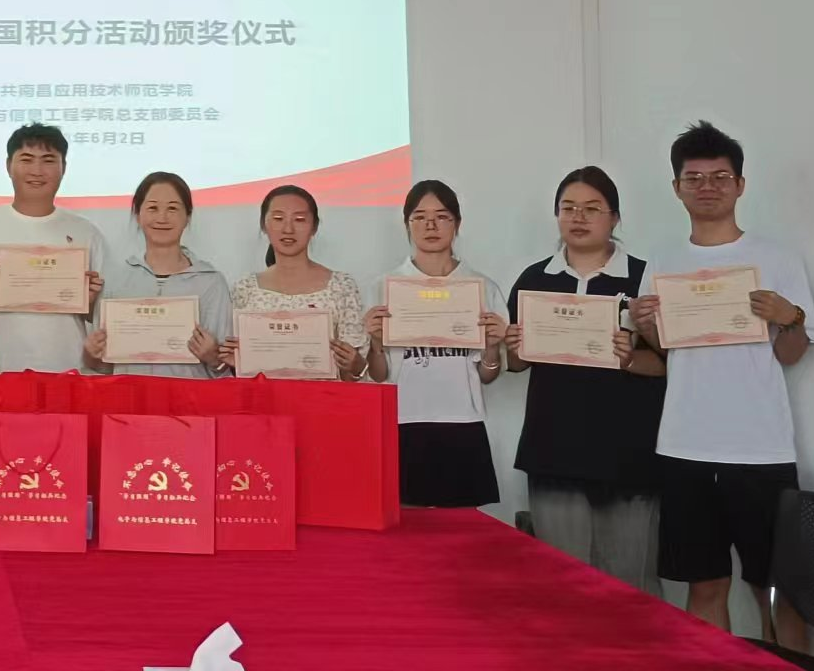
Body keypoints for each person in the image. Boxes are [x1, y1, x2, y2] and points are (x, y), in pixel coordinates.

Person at [631, 122, 814, 649]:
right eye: (694, 178)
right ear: (677, 188)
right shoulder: (662, 261)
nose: (707, 186)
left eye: (719, 177)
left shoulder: (777, 258)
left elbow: (791, 354)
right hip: (684, 446)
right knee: (705, 583)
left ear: (740, 184)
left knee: (776, 590)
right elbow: (667, 351)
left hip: (760, 447)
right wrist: (646, 326)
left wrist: (791, 317)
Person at [503, 166, 665, 592]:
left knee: (631, 585)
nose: (578, 217)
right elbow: (517, 364)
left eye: (592, 208)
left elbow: (669, 364)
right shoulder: (534, 279)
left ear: (615, 217)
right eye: (568, 208)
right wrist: (513, 346)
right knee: (563, 587)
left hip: (629, 452)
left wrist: (628, 360)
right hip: (553, 449)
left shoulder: (645, 278)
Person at [364, 179, 507, 508]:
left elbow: (487, 376)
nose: (431, 225)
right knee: (405, 528)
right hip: (403, 421)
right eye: (420, 217)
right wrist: (375, 342)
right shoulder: (382, 287)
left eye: (442, 216)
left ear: (457, 223)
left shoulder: (482, 287)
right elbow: (378, 375)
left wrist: (491, 347)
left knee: (460, 531)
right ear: (406, 224)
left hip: (462, 423)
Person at [0, 124, 106, 372]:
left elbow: (103, 316)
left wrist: (90, 302)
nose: (37, 171)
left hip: (70, 370)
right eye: (26, 159)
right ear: (8, 166)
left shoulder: (86, 233)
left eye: (48, 160)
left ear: (64, 168)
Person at [84, 172, 231, 379]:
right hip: (131, 398)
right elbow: (105, 368)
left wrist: (214, 358)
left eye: (172, 208)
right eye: (153, 208)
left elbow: (226, 374)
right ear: (138, 215)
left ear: (187, 216)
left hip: (190, 399)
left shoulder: (211, 283)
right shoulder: (116, 280)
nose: (162, 218)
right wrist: (91, 354)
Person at [219, 184, 367, 381]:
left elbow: (352, 376)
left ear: (314, 227)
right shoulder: (245, 288)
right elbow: (240, 369)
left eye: (299, 220)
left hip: (324, 398)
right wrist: (234, 361)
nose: (288, 229)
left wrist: (355, 365)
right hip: (263, 399)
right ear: (264, 225)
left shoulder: (342, 286)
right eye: (278, 218)